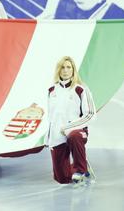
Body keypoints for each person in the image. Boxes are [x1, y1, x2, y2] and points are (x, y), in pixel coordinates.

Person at [46, 56, 96, 184]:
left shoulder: (80, 89)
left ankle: (80, 169)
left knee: (74, 136)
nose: (65, 70)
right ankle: (83, 165)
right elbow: (50, 117)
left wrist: (69, 128)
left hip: (77, 132)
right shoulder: (51, 90)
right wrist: (49, 138)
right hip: (57, 136)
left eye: (69, 67)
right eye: (62, 67)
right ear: (58, 70)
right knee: (62, 179)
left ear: (73, 70)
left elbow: (90, 114)